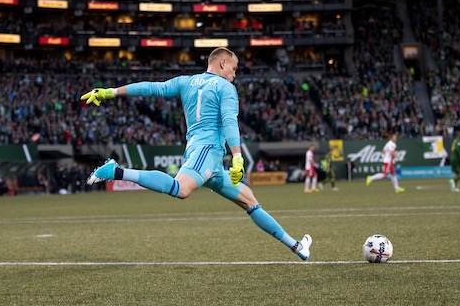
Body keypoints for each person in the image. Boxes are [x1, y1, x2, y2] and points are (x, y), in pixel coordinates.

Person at [81, 47, 312, 260]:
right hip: (207, 150)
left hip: (204, 154)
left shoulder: (186, 81)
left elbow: (151, 87)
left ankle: (297, 246)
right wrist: (237, 156)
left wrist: (110, 92)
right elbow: (229, 121)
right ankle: (117, 171)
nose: (234, 75)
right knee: (181, 189)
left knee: (250, 201)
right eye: (233, 69)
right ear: (222, 63)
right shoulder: (225, 87)